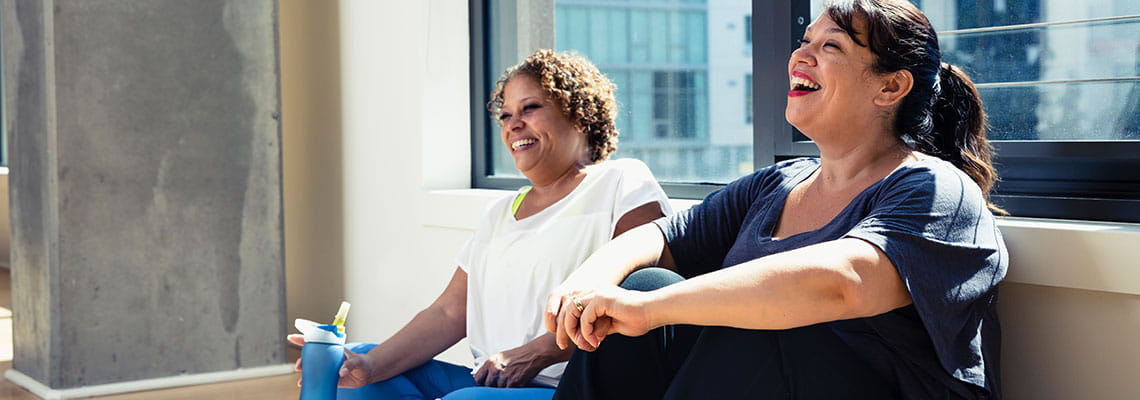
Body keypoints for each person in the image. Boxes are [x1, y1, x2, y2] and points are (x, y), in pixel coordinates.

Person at [545, 1, 1008, 399]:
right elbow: (661, 237)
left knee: (773, 325)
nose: (800, 56)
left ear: (890, 87)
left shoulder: (936, 189)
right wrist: (587, 284)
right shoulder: (778, 184)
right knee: (646, 282)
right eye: (805, 42)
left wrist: (648, 312)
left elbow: (839, 283)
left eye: (831, 47)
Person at [288, 49, 672, 400]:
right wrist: (368, 366)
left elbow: (641, 298)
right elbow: (448, 313)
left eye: (530, 108)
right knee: (358, 369)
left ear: (580, 114)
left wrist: (536, 353)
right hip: (490, 380)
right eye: (505, 115)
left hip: (570, 388)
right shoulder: (500, 213)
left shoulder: (621, 182)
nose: (513, 125)